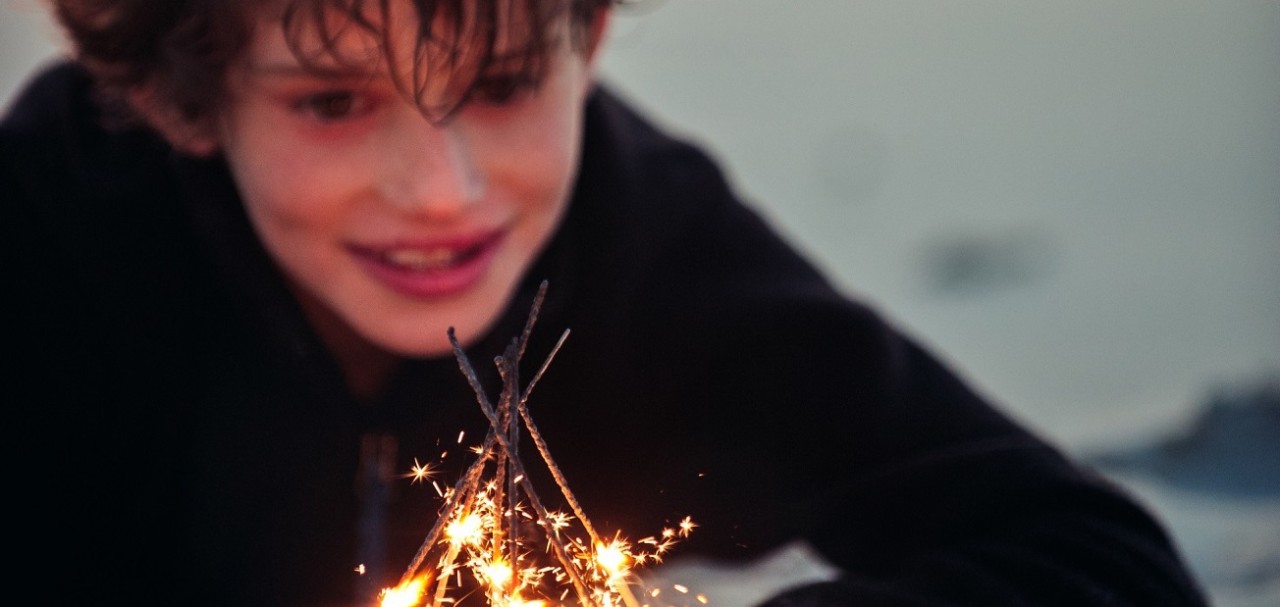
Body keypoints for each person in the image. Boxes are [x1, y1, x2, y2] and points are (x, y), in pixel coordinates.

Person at [3, 1, 1208, 606]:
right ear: (182, 103)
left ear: (586, 46)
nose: (441, 192)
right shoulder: (58, 232)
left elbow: (1098, 561)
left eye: (507, 84)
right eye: (331, 104)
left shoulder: (638, 239)